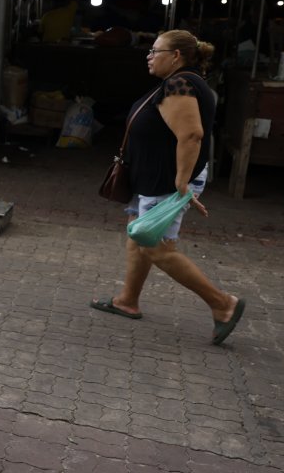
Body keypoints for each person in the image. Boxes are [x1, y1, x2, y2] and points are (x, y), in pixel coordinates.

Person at [90, 30, 245, 345]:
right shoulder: (180, 82)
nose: (149, 56)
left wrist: (181, 182)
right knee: (138, 235)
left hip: (166, 181)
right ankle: (127, 300)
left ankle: (223, 304)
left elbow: (191, 135)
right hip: (153, 178)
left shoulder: (180, 84)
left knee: (157, 248)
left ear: (176, 56)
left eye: (155, 51)